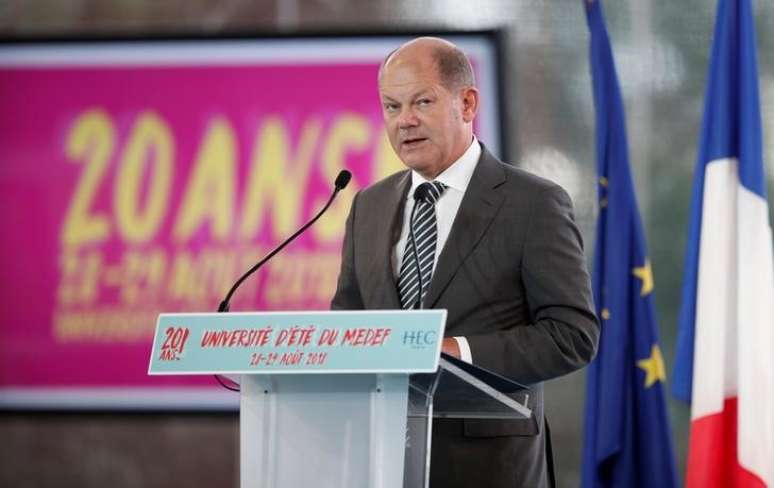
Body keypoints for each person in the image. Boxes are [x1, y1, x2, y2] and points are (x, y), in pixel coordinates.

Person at [331, 36, 599, 488]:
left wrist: (457, 353)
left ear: (468, 103)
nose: (406, 121)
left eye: (422, 101)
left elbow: (573, 336)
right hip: (383, 464)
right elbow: (349, 320)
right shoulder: (369, 206)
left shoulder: (532, 203)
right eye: (392, 107)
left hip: (492, 467)